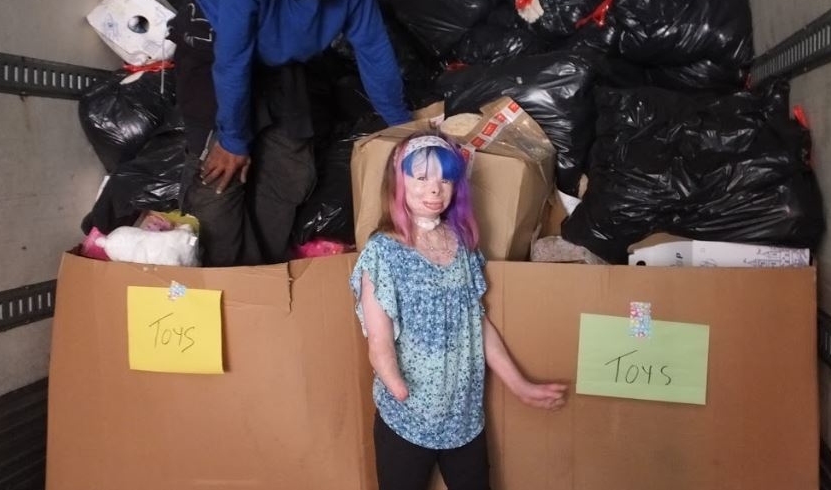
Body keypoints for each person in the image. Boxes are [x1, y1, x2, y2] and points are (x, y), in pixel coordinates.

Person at [349, 132, 568, 490]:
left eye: (445, 178)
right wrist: (398, 387)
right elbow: (379, 339)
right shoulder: (383, 253)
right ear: (398, 183)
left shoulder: (461, 244)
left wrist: (519, 384)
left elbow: (475, 323)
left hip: (463, 418)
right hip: (408, 420)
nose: (434, 189)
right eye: (421, 177)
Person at [168, 0, 411, 266]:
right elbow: (232, 62)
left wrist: (401, 126)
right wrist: (233, 141)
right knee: (220, 180)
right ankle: (226, 279)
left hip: (278, 56)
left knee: (291, 171)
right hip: (217, 46)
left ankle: (264, 273)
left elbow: (374, 49)